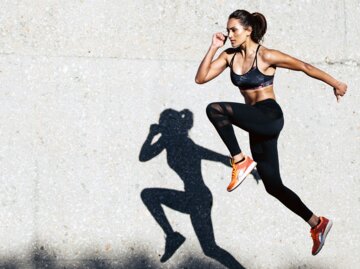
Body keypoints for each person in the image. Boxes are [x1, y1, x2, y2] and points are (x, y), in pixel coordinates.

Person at [195, 9, 347, 256]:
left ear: (248, 30)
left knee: (215, 110)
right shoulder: (229, 56)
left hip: (269, 116)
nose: (229, 35)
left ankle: (240, 160)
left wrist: (336, 84)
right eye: (228, 30)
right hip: (255, 123)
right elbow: (201, 79)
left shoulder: (266, 55)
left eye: (234, 30)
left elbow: (304, 67)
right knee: (273, 185)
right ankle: (317, 224)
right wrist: (213, 47)